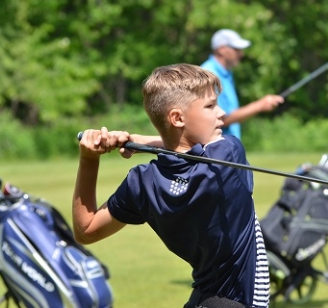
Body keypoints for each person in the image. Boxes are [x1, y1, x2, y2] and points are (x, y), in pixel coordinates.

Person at [73, 63, 270, 308]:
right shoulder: (228, 154)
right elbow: (193, 152)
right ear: (177, 118)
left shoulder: (142, 183)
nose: (221, 113)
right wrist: (140, 140)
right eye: (210, 106)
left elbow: (86, 229)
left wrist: (89, 160)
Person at [201, 29, 284, 139]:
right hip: (217, 149)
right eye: (237, 49)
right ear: (222, 49)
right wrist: (260, 105)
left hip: (228, 148)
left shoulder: (226, 73)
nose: (241, 54)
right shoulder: (209, 74)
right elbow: (219, 119)